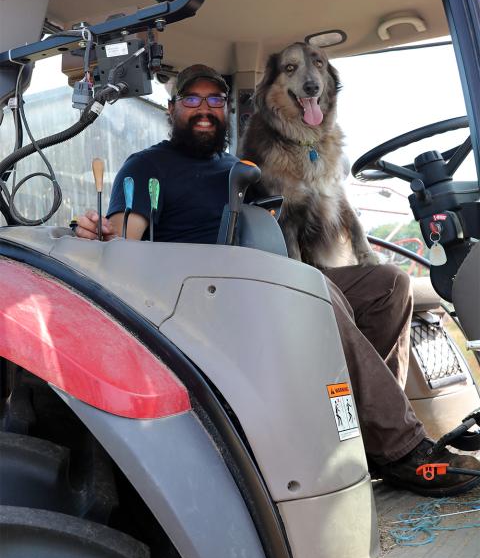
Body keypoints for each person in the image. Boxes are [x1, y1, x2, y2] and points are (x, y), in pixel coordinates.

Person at [76, 64, 480, 496]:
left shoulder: (243, 168)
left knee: (388, 284)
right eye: (192, 99)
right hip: (207, 299)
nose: (205, 109)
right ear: (172, 109)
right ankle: (403, 450)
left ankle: (365, 434)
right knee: (314, 291)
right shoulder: (148, 166)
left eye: (215, 99)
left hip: (266, 280)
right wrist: (105, 234)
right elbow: (127, 239)